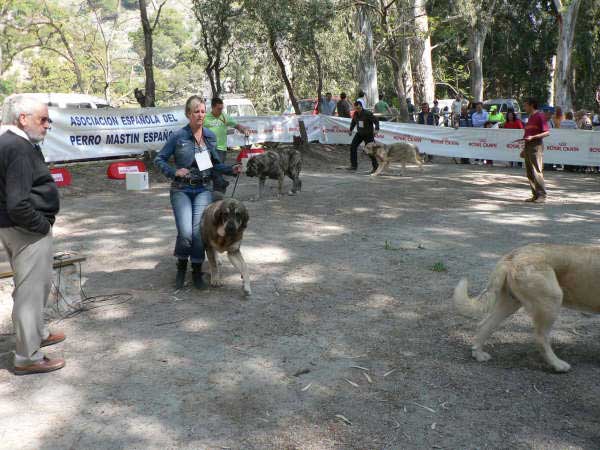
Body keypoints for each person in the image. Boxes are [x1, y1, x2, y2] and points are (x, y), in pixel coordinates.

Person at [0, 95, 65, 375]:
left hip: (16, 227)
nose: (47, 125)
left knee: (35, 287)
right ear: (23, 119)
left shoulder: (10, 143)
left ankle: (37, 334)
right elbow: (17, 202)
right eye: (43, 119)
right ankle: (28, 357)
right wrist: (41, 225)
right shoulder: (17, 147)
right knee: (29, 291)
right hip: (25, 230)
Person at [155, 96, 242, 290]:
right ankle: (181, 268)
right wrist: (173, 171)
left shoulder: (210, 136)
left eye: (202, 111)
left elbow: (214, 165)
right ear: (188, 114)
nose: (200, 115)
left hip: (203, 189)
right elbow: (159, 159)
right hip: (181, 189)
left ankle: (196, 272)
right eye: (196, 111)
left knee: (197, 233)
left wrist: (231, 169)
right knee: (185, 233)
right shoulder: (178, 137)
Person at [520, 97, 550, 203]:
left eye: (525, 105)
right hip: (528, 146)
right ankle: (535, 195)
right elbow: (527, 134)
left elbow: (547, 132)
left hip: (536, 146)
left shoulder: (539, 116)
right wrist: (524, 149)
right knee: (529, 172)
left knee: (537, 171)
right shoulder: (530, 117)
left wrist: (533, 137)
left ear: (531, 105)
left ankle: (542, 195)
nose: (524, 107)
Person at [204, 97, 250, 165]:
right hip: (207, 148)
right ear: (212, 107)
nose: (221, 111)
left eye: (222, 108)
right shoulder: (205, 117)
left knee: (219, 170)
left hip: (220, 149)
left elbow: (237, 125)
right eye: (219, 109)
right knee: (206, 170)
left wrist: (243, 129)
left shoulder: (224, 117)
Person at [347, 101, 379, 172]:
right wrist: (350, 130)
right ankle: (353, 165)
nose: (358, 110)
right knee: (353, 147)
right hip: (360, 134)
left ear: (361, 106)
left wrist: (376, 129)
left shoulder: (367, 113)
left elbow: (376, 121)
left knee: (370, 150)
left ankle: (375, 166)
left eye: (359, 108)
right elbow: (353, 122)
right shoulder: (355, 114)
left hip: (368, 134)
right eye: (356, 108)